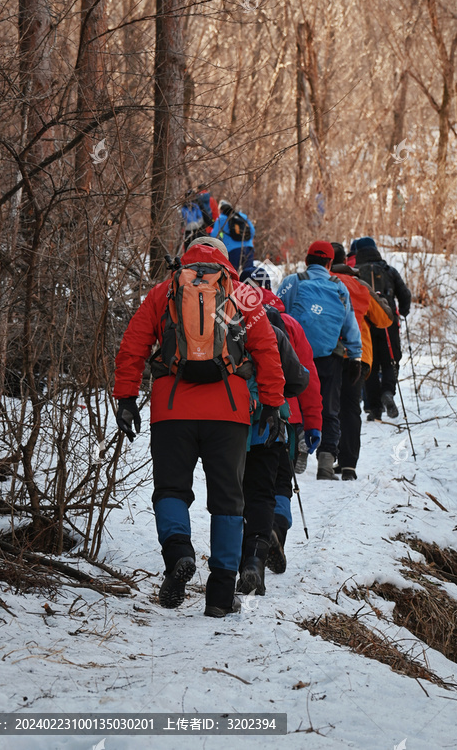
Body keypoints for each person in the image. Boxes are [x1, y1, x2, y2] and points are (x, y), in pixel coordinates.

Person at [112, 236, 285, 618]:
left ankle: (179, 554)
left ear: (187, 258)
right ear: (226, 263)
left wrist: (126, 398)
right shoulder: (245, 295)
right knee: (228, 501)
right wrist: (272, 403)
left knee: (171, 488)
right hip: (229, 413)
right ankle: (221, 595)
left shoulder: (164, 291)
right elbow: (267, 351)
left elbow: (133, 345)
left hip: (172, 409)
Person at [239, 266, 322, 578]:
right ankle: (275, 532)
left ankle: (249, 545)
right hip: (285, 416)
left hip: (240, 416)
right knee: (280, 483)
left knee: (246, 484)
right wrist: (313, 424)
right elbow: (307, 378)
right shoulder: (289, 324)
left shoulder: (230, 316)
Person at [276, 241, 362, 481]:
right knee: (330, 408)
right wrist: (355, 355)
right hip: (329, 357)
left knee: (296, 402)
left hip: (295, 356)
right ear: (330, 263)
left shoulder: (293, 281)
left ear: (307, 260)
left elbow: (276, 312)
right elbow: (349, 323)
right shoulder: (339, 287)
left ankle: (298, 445)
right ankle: (325, 462)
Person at [330, 243, 392, 480]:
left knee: (328, 405)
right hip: (358, 354)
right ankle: (348, 464)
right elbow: (384, 319)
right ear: (346, 259)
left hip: (327, 352)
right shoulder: (359, 285)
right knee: (350, 408)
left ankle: (328, 455)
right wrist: (380, 299)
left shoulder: (315, 282)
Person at [349, 237, 411, 421]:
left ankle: (375, 409)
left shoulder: (356, 274)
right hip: (388, 322)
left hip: (365, 325)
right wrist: (404, 311)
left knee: (371, 366)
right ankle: (388, 393)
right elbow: (405, 294)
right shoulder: (389, 270)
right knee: (391, 360)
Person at [211, 200, 255, 272]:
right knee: (249, 274)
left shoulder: (221, 219)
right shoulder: (242, 216)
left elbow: (214, 235)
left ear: (221, 210)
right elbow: (252, 231)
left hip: (232, 250)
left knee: (232, 274)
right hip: (248, 248)